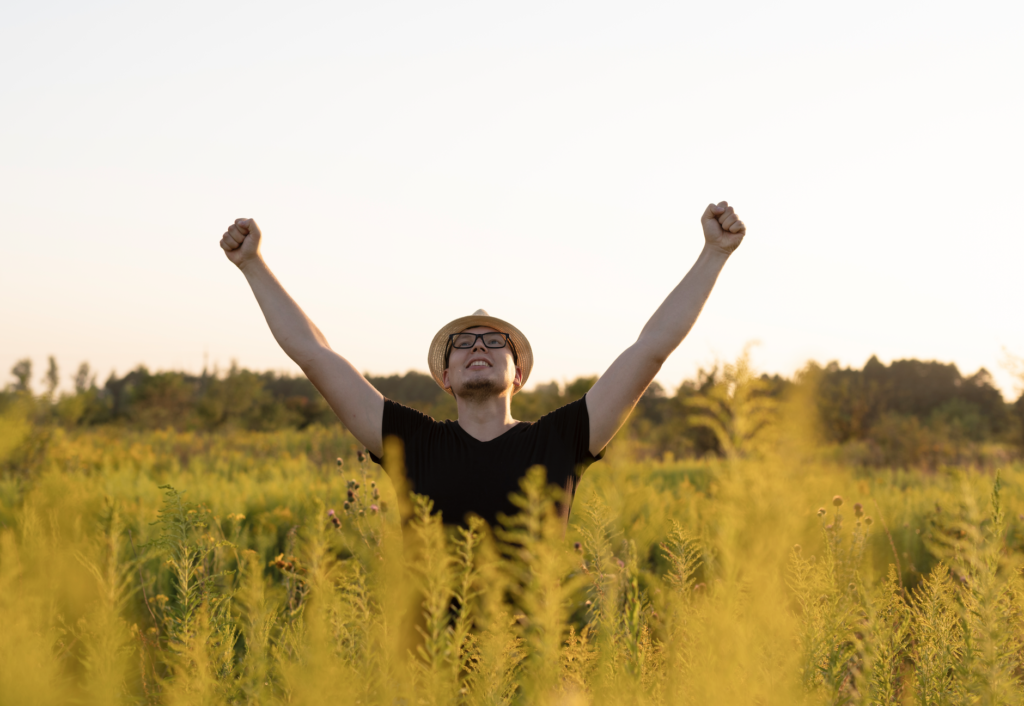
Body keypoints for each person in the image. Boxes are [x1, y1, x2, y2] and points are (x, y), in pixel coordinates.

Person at [219, 203, 746, 530]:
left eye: (496, 343)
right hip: (427, 676)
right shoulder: (410, 440)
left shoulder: (562, 439)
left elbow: (650, 348)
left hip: (528, 673)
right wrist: (253, 265)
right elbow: (316, 355)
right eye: (463, 343)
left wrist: (713, 254)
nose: (478, 345)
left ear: (518, 375)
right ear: (444, 377)